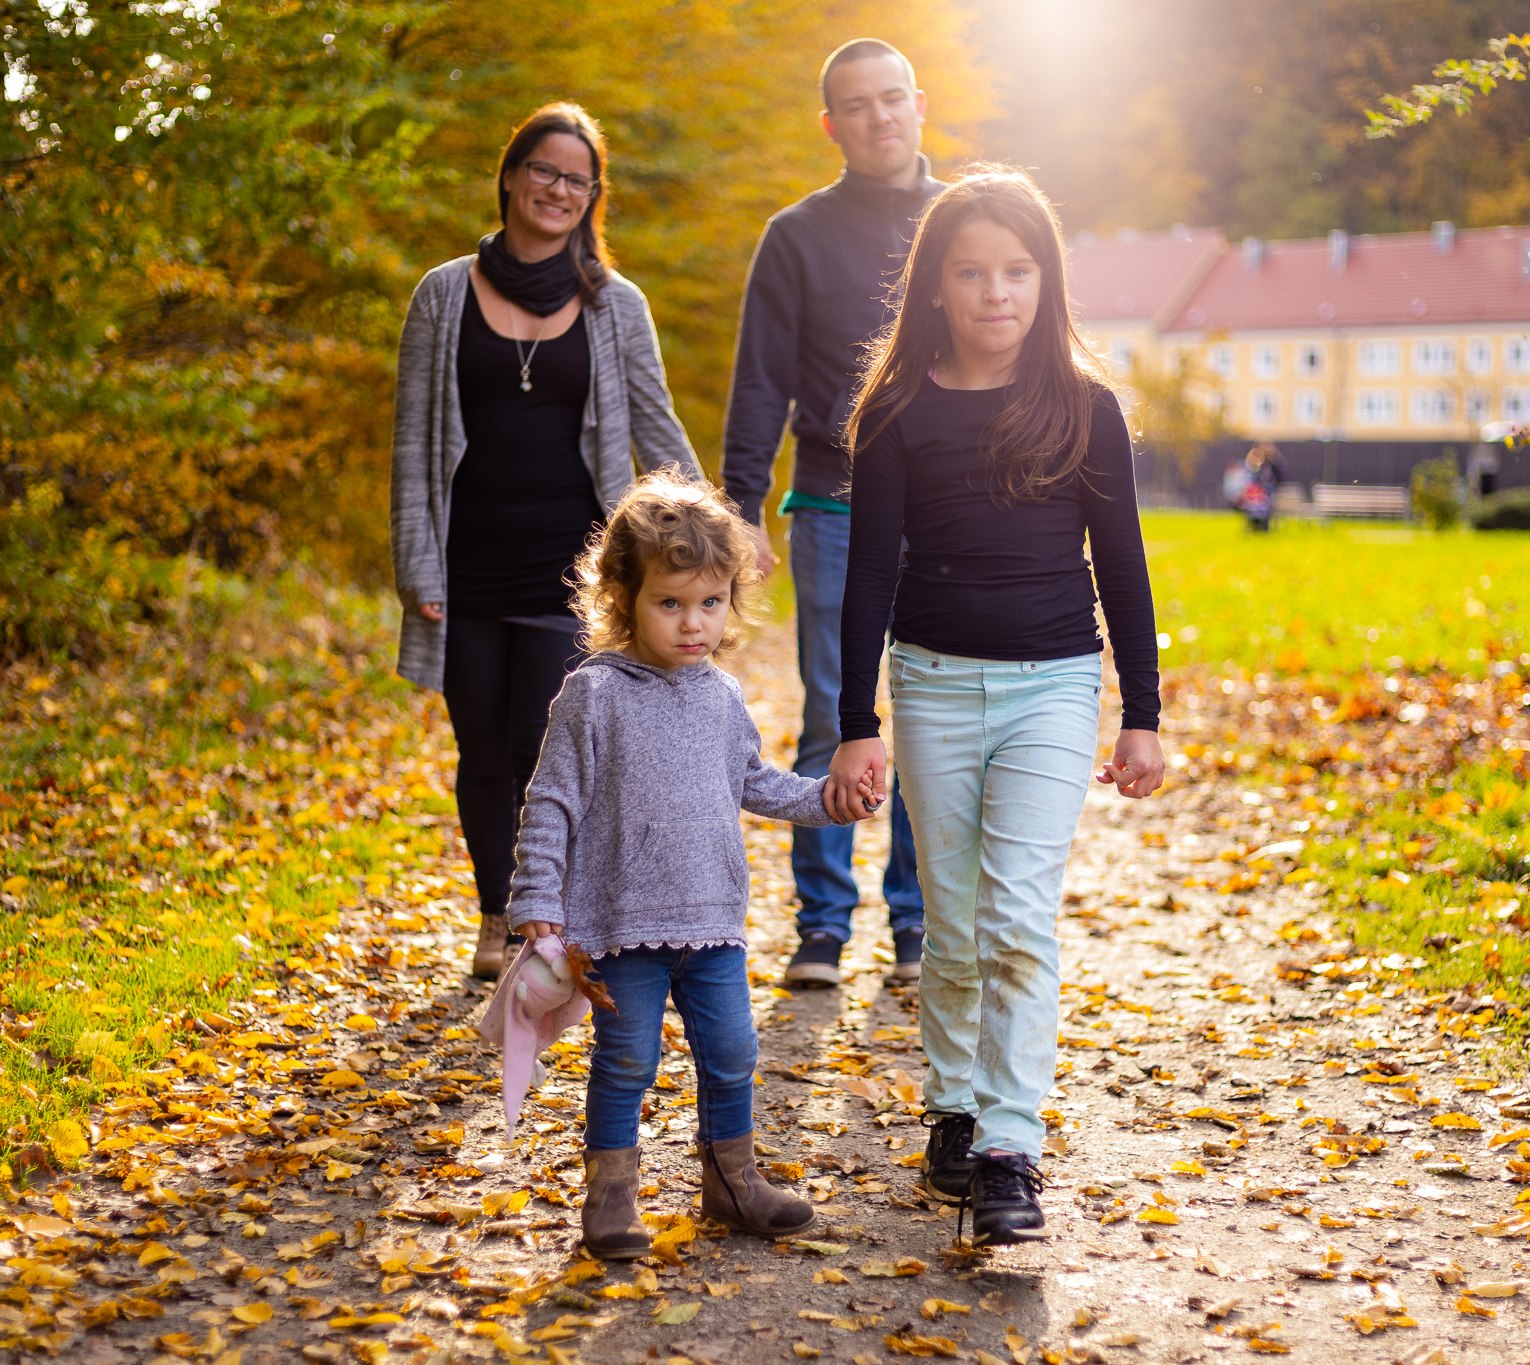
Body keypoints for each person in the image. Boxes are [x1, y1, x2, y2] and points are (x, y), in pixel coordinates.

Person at [826, 169, 1167, 1247]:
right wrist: (855, 719)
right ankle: (954, 1107)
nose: (994, 294)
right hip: (929, 682)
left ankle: (1009, 1147)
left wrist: (1140, 711)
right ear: (934, 286)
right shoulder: (894, 413)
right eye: (970, 273)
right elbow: (867, 572)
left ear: (1044, 281)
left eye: (1016, 272)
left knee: (1018, 916)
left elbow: (1122, 566)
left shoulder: (1085, 408)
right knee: (954, 921)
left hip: (1053, 686)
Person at [504, 473, 874, 1259]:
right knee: (629, 1057)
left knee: (735, 1051)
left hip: (710, 920)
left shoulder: (721, 694)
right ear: (623, 598)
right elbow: (551, 802)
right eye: (670, 603)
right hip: (620, 924)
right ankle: (610, 1195)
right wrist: (535, 893)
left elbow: (755, 782)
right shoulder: (592, 695)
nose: (692, 622)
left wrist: (827, 801)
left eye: (709, 602)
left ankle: (731, 1181)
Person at [389, 102, 701, 982]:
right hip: (465, 567)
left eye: (577, 179)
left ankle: (545, 917)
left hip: (574, 571)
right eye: (545, 171)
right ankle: (496, 914)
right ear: (511, 175)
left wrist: (698, 532)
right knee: (482, 749)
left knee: (544, 743)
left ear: (592, 195)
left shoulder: (614, 303)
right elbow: (412, 441)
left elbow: (654, 423)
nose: (558, 189)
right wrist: (416, 563)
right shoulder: (443, 294)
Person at [721, 38, 936, 989]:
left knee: (932, 713)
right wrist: (739, 507)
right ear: (832, 125)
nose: (879, 117)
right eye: (858, 105)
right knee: (832, 709)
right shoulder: (795, 235)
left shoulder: (959, 220)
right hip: (833, 505)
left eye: (893, 99)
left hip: (950, 510)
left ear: (918, 104)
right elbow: (761, 380)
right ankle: (821, 924)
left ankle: (919, 923)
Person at [1238, 443, 1283, 532]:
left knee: (1263, 506)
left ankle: (1262, 526)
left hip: (1263, 497)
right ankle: (1253, 526)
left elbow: (1276, 479)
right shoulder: (1247, 472)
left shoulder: (1268, 468)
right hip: (1251, 498)